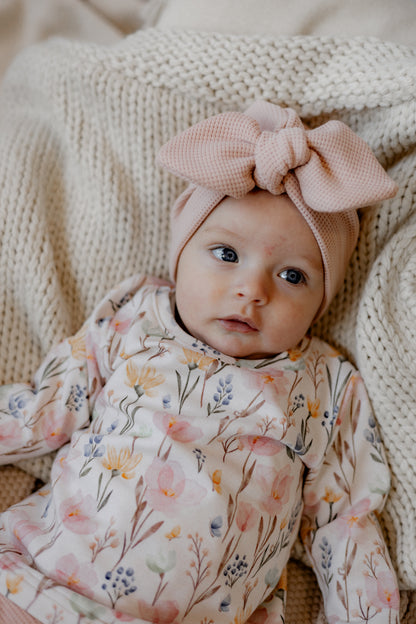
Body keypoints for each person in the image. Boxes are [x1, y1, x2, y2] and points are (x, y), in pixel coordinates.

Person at [0, 101, 400, 624]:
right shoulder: (138, 315)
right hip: (42, 585)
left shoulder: (323, 384)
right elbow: (51, 404)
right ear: (181, 256)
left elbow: (344, 521)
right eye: (227, 254)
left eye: (293, 276)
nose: (251, 291)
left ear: (325, 299)